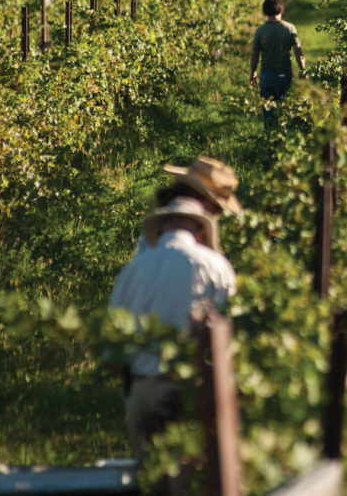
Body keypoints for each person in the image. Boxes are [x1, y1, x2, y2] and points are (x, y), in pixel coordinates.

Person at [106, 157, 241, 466]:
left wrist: (139, 374)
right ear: (204, 219)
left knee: (151, 478)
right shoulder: (216, 268)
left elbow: (110, 350)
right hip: (188, 390)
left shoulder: (133, 269)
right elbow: (225, 340)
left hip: (140, 390)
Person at [250, 0, 305, 130]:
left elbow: (255, 53)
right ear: (281, 10)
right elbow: (298, 50)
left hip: (266, 76)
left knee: (268, 111)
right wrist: (303, 70)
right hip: (285, 75)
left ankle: (270, 140)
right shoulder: (289, 28)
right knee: (286, 109)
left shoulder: (260, 31)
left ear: (265, 11)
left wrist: (253, 72)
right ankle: (286, 139)